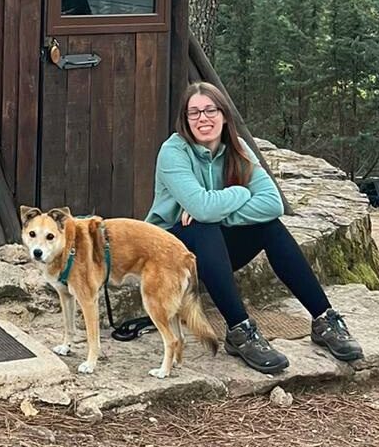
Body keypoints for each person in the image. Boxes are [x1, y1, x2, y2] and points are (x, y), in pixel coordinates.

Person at [146, 81, 364, 374]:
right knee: (202, 226)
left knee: (269, 226)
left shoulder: (237, 148)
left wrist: (216, 208)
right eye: (194, 112)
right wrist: (239, 194)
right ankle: (240, 331)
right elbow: (202, 208)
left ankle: (324, 319)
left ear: (224, 115)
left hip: (212, 251)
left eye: (210, 110)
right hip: (166, 255)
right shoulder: (173, 151)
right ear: (185, 120)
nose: (203, 118)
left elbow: (272, 203)